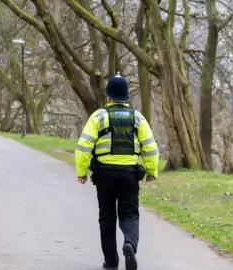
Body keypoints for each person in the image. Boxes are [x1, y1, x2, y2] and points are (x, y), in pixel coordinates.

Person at [74, 74, 159, 270]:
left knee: (107, 217)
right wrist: (151, 171)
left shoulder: (98, 116)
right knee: (130, 213)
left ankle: (111, 262)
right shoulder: (138, 118)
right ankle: (129, 243)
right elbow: (150, 147)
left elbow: (84, 146)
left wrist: (82, 171)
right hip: (129, 174)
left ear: (108, 97)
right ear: (127, 98)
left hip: (104, 175)